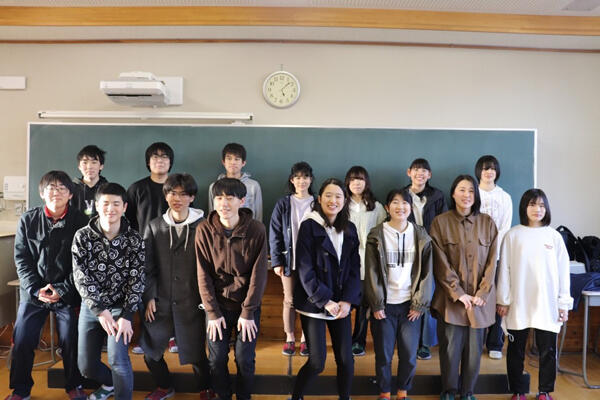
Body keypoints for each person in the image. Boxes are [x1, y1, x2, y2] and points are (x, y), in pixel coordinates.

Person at [7, 171, 88, 400]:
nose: (56, 193)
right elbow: (21, 259)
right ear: (42, 193)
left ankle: (74, 385)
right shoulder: (28, 219)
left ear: (70, 195)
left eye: (62, 188)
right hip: (34, 293)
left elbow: (83, 263)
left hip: (67, 293)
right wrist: (35, 289)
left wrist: (62, 289)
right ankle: (21, 390)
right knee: (22, 338)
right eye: (51, 188)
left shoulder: (81, 222)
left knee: (71, 339)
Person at [140, 173, 214, 400]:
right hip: (160, 299)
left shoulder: (204, 226)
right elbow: (147, 266)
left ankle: (205, 388)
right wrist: (149, 296)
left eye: (183, 194)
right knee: (150, 351)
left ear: (192, 197)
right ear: (166, 196)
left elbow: (210, 267)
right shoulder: (155, 226)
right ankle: (164, 386)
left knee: (196, 353)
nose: (177, 198)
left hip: (192, 301)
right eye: (172, 193)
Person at [496, 189, 572, 400]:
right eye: (532, 204)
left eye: (541, 205)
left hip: (547, 303)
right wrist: (503, 300)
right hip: (518, 302)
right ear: (524, 207)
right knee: (516, 350)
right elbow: (504, 270)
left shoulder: (554, 237)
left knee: (548, 350)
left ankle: (544, 391)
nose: (537, 209)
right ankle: (518, 391)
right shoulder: (513, 235)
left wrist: (563, 303)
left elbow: (563, 272)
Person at [196, 177, 268, 400]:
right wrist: (212, 312)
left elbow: (258, 275)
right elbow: (203, 274)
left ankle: (244, 396)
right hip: (217, 305)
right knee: (216, 359)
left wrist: (248, 312)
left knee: (244, 358)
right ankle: (223, 395)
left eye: (230, 198)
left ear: (242, 201)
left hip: (246, 305)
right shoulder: (204, 229)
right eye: (219, 198)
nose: (223, 203)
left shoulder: (256, 229)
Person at [72, 183, 145, 400]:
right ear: (97, 206)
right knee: (86, 366)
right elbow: (80, 276)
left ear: (124, 207)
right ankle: (110, 384)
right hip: (92, 307)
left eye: (116, 204)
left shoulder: (134, 239)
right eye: (105, 203)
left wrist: (127, 315)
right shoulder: (82, 236)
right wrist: (99, 310)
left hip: (121, 307)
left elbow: (137, 279)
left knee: (118, 360)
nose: (110, 209)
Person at [290, 178, 361, 400]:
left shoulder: (349, 228)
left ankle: (344, 398)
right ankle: (296, 397)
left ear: (345, 200)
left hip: (341, 304)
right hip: (314, 303)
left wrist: (347, 301)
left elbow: (354, 268)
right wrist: (325, 301)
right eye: (328, 195)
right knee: (317, 362)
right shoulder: (309, 225)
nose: (333, 200)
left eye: (338, 196)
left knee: (346, 360)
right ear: (319, 199)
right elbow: (305, 269)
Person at [429, 175, 498, 400]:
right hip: (451, 300)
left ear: (476, 195)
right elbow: (440, 262)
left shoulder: (487, 223)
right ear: (453, 193)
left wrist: (482, 292)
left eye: (470, 190)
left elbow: (492, 262)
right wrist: (458, 293)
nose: (466, 195)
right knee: (450, 349)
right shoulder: (440, 223)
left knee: (474, 351)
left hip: (479, 301)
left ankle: (468, 392)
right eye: (461, 189)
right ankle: (449, 391)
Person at [365, 188, 434, 400]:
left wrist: (419, 304)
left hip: (410, 307)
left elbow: (427, 274)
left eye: (405, 203)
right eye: (395, 202)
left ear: (410, 208)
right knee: (383, 355)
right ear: (387, 208)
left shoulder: (421, 235)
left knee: (409, 355)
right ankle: (385, 393)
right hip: (384, 307)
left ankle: (403, 392)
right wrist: (377, 303)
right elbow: (371, 272)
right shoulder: (377, 235)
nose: (400, 207)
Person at [125, 141, 173, 354]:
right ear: (148, 162)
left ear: (170, 162)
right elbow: (127, 222)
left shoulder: (176, 188)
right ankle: (146, 340)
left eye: (164, 157)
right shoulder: (136, 189)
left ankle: (172, 337)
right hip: (142, 251)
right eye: (155, 157)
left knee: (170, 295)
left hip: (172, 250)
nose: (159, 161)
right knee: (145, 296)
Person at [403, 158, 447, 360]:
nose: (420, 173)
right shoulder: (402, 195)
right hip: (408, 251)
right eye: (416, 169)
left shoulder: (437, 195)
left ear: (429, 175)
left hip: (431, 250)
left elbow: (443, 223)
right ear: (409, 172)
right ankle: (409, 341)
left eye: (424, 171)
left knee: (428, 295)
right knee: (409, 295)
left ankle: (425, 343)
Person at [269, 161, 315, 356]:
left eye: (305, 177)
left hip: (311, 263)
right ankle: (289, 338)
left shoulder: (317, 202)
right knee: (289, 300)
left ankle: (305, 338)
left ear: (311, 180)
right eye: (297, 177)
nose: (301, 181)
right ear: (292, 180)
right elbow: (275, 233)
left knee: (310, 299)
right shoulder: (283, 203)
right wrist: (276, 261)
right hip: (288, 261)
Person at [345, 166, 387, 357]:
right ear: (348, 182)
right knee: (345, 301)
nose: (357, 183)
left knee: (364, 305)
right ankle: (343, 341)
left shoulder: (376, 207)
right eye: (353, 179)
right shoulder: (341, 204)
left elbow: (383, 233)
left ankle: (358, 342)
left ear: (366, 182)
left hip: (368, 262)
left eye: (360, 179)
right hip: (346, 262)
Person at [475, 155, 513, 360]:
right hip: (475, 256)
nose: (489, 172)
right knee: (478, 297)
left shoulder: (504, 197)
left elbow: (505, 227)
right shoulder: (472, 193)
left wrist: (493, 249)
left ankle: (495, 343)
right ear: (478, 171)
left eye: (492, 168)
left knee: (498, 297)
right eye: (485, 168)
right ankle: (475, 342)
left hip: (498, 255)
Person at [208, 142, 263, 222]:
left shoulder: (253, 186)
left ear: (243, 163)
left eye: (237, 159)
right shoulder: (214, 186)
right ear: (223, 162)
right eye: (229, 158)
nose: (233, 162)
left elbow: (258, 214)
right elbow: (212, 213)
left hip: (248, 228)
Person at [71, 145, 108, 219]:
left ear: (101, 166)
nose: (89, 167)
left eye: (94, 162)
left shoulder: (108, 189)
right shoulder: (70, 189)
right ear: (79, 166)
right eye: (85, 162)